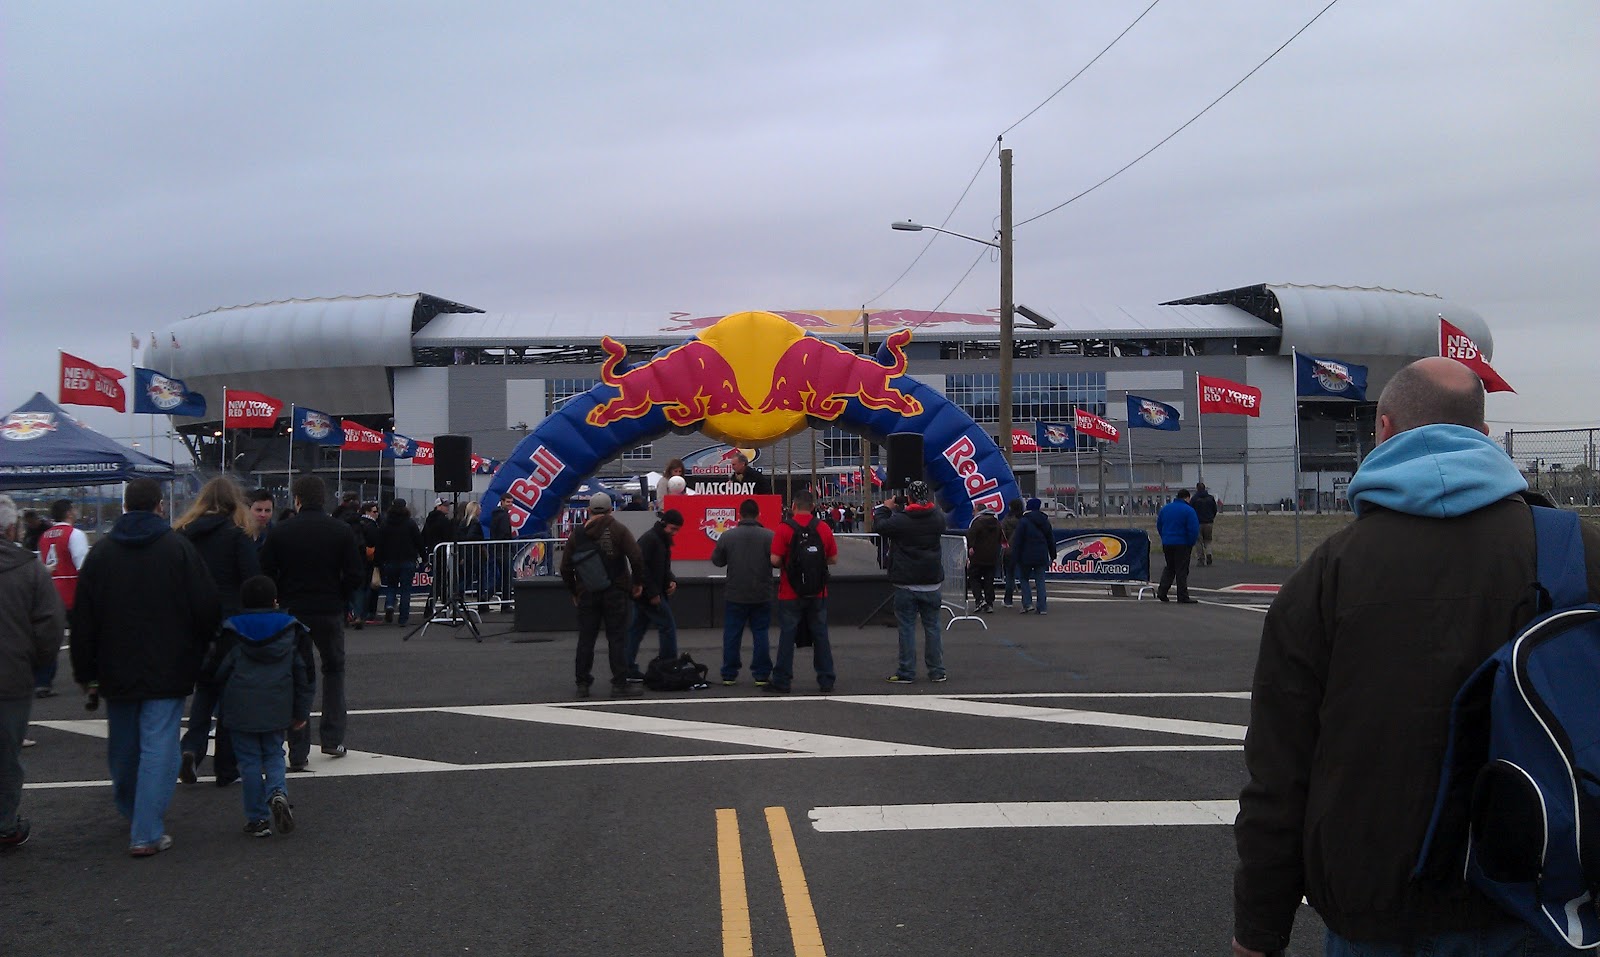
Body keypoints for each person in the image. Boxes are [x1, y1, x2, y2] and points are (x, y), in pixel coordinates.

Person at [1231, 357, 1600, 957]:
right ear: (1483, 437)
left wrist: (1260, 928)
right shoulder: (1574, 549)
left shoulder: (1328, 574)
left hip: (1374, 903)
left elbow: (1280, 771)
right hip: (1541, 897)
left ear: (1383, 429)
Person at [70, 479, 221, 856]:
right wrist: (201, 649)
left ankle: (132, 810)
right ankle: (147, 829)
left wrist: (85, 671)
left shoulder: (101, 553)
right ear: (159, 506)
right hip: (169, 663)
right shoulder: (177, 548)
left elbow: (84, 620)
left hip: (114, 665)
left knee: (123, 746)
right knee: (159, 745)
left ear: (124, 506)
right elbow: (206, 607)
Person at [259, 475, 365, 770]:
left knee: (297, 676)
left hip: (294, 609)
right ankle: (332, 736)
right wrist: (341, 596)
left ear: (297, 499)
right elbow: (355, 573)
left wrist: (281, 593)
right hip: (329, 607)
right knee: (334, 670)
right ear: (324, 498)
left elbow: (265, 570)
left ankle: (297, 748)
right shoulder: (340, 530)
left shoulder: (282, 532)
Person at [173, 477, 261, 787]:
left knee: (204, 690)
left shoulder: (183, 534)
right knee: (231, 698)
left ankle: (191, 749)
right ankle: (226, 767)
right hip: (231, 621)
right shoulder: (237, 534)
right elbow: (251, 580)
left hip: (193, 623)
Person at [208, 576, 311, 838]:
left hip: (240, 704)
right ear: (274, 600)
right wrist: (301, 710)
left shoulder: (231, 629)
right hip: (279, 701)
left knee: (249, 760)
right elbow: (303, 672)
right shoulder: (292, 628)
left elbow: (217, 672)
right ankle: (277, 791)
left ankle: (258, 818)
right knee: (274, 752)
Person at [0, 494, 66, 851]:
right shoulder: (30, 569)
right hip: (12, 676)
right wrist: (37, 663)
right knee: (7, 756)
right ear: (11, 529)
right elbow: (50, 626)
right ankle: (5, 824)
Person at [558, 493, 645, 698]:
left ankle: (582, 683)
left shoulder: (577, 534)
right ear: (610, 510)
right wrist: (637, 582)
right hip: (616, 591)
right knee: (617, 638)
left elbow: (565, 568)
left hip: (587, 593)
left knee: (586, 639)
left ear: (589, 510)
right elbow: (636, 557)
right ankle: (619, 683)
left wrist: (574, 590)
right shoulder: (618, 530)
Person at [874, 481, 948, 683]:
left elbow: (880, 527)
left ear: (909, 497)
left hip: (906, 581)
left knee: (906, 627)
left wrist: (884, 509)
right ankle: (937, 670)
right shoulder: (937, 519)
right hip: (931, 580)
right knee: (932, 627)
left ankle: (907, 671)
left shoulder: (901, 520)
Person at [767, 490, 838, 694]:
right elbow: (833, 558)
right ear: (813, 507)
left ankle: (782, 680)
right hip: (818, 592)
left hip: (790, 591)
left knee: (787, 636)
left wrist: (790, 566)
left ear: (793, 506)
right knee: (821, 635)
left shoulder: (784, 528)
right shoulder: (823, 528)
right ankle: (826, 679)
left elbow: (774, 559)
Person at [710, 498, 775, 686]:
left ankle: (729, 674)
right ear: (758, 514)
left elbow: (717, 561)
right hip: (761, 592)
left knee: (732, 633)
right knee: (761, 633)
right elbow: (777, 560)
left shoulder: (727, 536)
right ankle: (761, 674)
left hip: (735, 592)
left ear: (739, 514)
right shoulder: (769, 536)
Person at [33, 498, 88, 698]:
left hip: (50, 593)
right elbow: (83, 566)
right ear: (69, 513)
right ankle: (86, 676)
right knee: (82, 637)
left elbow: (42, 566)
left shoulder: (44, 535)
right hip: (72, 592)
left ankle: (43, 681)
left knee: (49, 639)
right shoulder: (75, 534)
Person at [626, 509, 683, 678]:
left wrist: (671, 580)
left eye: (677, 530)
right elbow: (641, 567)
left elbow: (660, 567)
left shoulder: (656, 538)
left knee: (636, 629)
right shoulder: (652, 540)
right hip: (650, 594)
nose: (675, 533)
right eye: (673, 529)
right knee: (667, 626)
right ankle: (668, 664)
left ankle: (627, 667)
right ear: (664, 524)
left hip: (646, 592)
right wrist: (653, 593)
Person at [375, 499, 425, 626]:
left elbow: (380, 544)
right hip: (408, 559)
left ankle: (390, 604)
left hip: (390, 560)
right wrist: (424, 557)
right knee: (405, 590)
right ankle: (403, 618)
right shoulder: (410, 523)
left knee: (391, 586)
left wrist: (378, 561)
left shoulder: (385, 523)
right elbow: (418, 541)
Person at [1009, 498, 1056, 615]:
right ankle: (1042, 607)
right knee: (1040, 581)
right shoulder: (1045, 521)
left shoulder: (1024, 521)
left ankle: (1027, 604)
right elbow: (1051, 539)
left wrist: (1014, 557)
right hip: (1041, 555)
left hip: (1026, 555)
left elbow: (1018, 541)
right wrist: (1053, 555)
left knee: (1024, 579)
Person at [1155, 489, 1200, 604]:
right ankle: (1182, 596)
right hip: (1182, 543)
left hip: (1167, 542)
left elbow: (1159, 525)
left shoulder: (1165, 509)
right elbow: (1193, 529)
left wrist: (1164, 537)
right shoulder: (1189, 511)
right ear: (1187, 498)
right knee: (1182, 569)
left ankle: (1162, 591)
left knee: (1170, 567)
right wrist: (1191, 542)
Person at [965, 502, 1002, 613]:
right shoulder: (996, 522)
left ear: (978, 511)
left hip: (977, 555)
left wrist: (970, 548)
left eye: (974, 511)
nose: (973, 513)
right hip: (992, 555)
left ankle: (979, 600)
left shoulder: (976, 522)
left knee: (974, 577)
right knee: (989, 580)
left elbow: (970, 536)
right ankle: (989, 603)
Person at [489, 493, 515, 611]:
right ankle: (505, 604)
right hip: (503, 549)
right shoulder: (504, 516)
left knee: (496, 577)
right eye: (508, 502)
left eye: (511, 502)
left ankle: (485, 599)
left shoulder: (495, 514)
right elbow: (505, 533)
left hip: (496, 549)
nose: (510, 504)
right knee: (506, 578)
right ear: (502, 502)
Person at [999, 498, 1024, 607]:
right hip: (1023, 550)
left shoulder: (1006, 520)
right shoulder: (1024, 519)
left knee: (1010, 576)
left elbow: (1002, 534)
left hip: (1010, 550)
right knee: (1024, 577)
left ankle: (1008, 600)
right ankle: (1026, 601)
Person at [1191, 482, 1219, 566]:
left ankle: (1201, 559)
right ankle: (1209, 553)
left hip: (1198, 523)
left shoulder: (1194, 499)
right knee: (1208, 540)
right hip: (1209, 522)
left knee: (1198, 541)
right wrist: (1211, 518)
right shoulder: (1210, 498)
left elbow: (1191, 511)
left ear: (1197, 489)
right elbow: (1215, 509)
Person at [420, 496, 454, 563]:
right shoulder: (443, 520)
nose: (448, 508)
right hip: (441, 552)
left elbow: (424, 535)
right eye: (445, 506)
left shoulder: (429, 519)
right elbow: (448, 535)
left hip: (431, 550)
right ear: (438, 506)